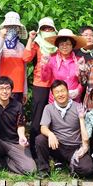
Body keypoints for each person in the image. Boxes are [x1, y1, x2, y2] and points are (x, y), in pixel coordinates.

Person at [35, 80, 93, 178]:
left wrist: (85, 147)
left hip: (74, 147)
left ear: (67, 92)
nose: (60, 94)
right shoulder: (49, 108)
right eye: (57, 92)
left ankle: (71, 165)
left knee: (88, 170)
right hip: (57, 146)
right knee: (40, 139)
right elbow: (43, 127)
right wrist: (50, 134)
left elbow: (86, 131)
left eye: (62, 91)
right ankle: (44, 170)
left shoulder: (78, 107)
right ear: (53, 95)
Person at [0, 77, 36, 174]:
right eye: (1, 88)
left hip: (14, 143)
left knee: (31, 170)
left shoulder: (17, 105)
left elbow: (20, 125)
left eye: (8, 88)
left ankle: (4, 162)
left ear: (11, 90)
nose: (5, 91)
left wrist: (22, 137)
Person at [22, 17, 58, 159]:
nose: (47, 31)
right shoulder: (37, 43)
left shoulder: (57, 44)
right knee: (37, 119)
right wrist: (30, 39)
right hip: (40, 84)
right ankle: (33, 151)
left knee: (55, 119)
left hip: (56, 84)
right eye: (44, 28)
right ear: (40, 30)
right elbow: (26, 58)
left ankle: (51, 152)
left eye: (49, 28)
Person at [41, 29, 87, 104]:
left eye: (68, 44)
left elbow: (83, 81)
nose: (65, 46)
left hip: (74, 100)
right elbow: (44, 79)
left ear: (72, 45)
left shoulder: (79, 61)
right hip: (56, 100)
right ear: (58, 45)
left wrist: (78, 90)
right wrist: (44, 65)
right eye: (62, 44)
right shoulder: (52, 60)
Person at [0, 11, 28, 103]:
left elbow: (24, 70)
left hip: (18, 88)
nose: (11, 29)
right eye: (8, 27)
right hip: (3, 87)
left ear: (18, 29)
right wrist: (1, 38)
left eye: (14, 27)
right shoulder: (0, 44)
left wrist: (25, 91)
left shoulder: (21, 47)